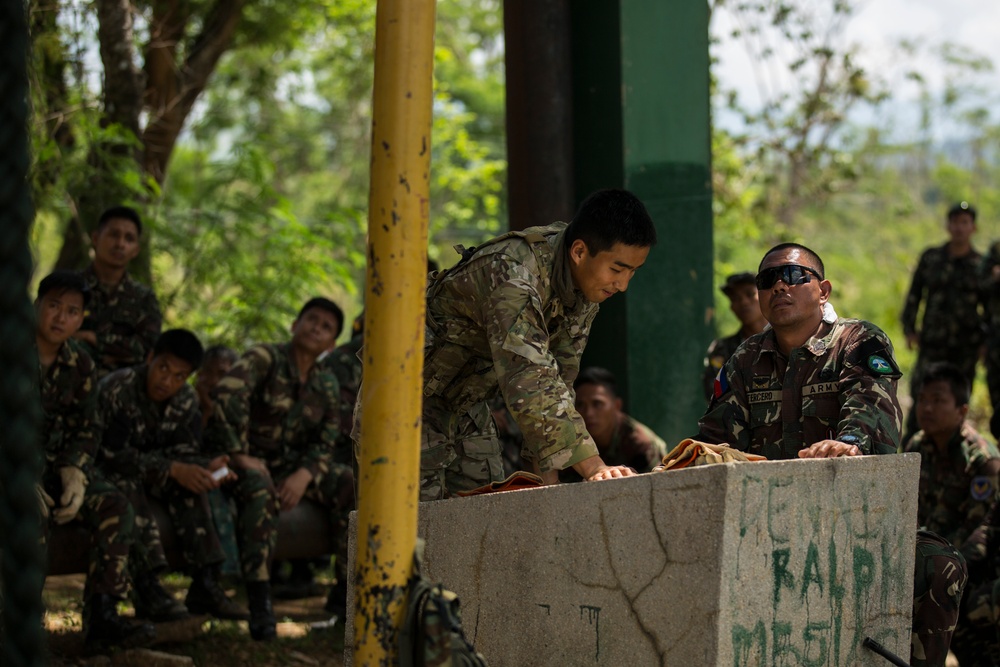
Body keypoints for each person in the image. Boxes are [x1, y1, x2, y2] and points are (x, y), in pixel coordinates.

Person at [697, 242, 965, 667]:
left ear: (823, 290)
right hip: (765, 527)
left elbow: (872, 412)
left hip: (849, 523)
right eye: (768, 280)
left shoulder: (858, 341)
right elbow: (714, 442)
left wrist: (851, 444)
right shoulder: (744, 360)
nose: (780, 287)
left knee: (938, 563)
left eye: (794, 276)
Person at [409, 188, 657, 500]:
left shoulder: (585, 285)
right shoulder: (513, 272)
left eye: (633, 272)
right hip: (407, 401)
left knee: (489, 523)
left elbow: (559, 383)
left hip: (469, 407)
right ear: (579, 252)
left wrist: (547, 491)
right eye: (617, 269)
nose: (622, 285)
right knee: (409, 534)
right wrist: (594, 467)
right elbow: (529, 378)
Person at [205, 297, 353, 640]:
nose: (316, 327)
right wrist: (239, 454)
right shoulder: (264, 358)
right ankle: (260, 601)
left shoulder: (326, 383)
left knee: (347, 481)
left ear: (331, 344)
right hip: (242, 462)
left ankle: (346, 591)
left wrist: (305, 475)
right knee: (258, 489)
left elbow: (327, 437)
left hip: (291, 468)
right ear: (294, 325)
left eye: (326, 326)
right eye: (311, 319)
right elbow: (227, 395)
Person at [34, 270, 156, 652]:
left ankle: (103, 616)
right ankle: (20, 620)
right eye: (53, 306)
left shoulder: (81, 364)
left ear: (82, 318)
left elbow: (88, 426)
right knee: (26, 515)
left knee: (116, 505)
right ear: (37, 306)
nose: (60, 318)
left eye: (72, 311)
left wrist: (76, 471)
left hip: (57, 470)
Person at [96, 329, 246, 624]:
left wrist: (206, 465)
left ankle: (205, 581)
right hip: (107, 476)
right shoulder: (117, 389)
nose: (168, 381)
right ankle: (146, 586)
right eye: (163, 368)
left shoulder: (185, 400)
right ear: (150, 358)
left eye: (180, 375)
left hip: (152, 476)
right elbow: (109, 456)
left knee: (193, 486)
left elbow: (183, 451)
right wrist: (173, 469)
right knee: (126, 486)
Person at [901, 201, 986, 439]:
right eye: (955, 222)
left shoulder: (980, 265)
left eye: (964, 222)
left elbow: (989, 308)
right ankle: (913, 449)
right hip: (932, 343)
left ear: (973, 228)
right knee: (923, 395)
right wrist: (909, 328)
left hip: (965, 346)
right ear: (947, 226)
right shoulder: (932, 258)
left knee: (957, 401)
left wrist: (985, 344)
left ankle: (953, 456)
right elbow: (915, 295)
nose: (959, 228)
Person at [904, 361, 1000, 547]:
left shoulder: (981, 459)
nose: (927, 408)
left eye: (938, 400)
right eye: (922, 399)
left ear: (961, 411)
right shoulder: (917, 445)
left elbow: (979, 532)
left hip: (961, 562)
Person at [75, 206, 163, 379]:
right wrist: (118, 348)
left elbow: (147, 349)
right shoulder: (70, 287)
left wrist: (92, 338)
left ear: (135, 250)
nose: (120, 244)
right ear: (95, 238)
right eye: (114, 235)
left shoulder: (144, 298)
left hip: (121, 393)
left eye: (129, 238)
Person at [559, 367, 667, 482]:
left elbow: (655, 488)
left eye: (597, 404)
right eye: (580, 405)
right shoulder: (568, 440)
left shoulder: (641, 444)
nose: (588, 413)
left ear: (617, 406)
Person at [702, 271, 767, 401]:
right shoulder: (722, 349)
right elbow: (715, 395)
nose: (743, 302)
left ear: (765, 297)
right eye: (735, 299)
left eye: (750, 294)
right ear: (732, 307)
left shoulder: (786, 340)